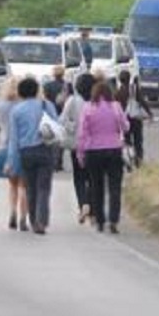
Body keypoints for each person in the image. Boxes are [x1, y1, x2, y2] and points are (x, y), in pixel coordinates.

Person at [6, 76, 58, 235]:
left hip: (26, 151)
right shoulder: (46, 105)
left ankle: (33, 219)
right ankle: (41, 221)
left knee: (30, 187)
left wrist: (12, 162)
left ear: (20, 93)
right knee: (44, 187)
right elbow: (56, 127)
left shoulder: (16, 111)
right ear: (36, 91)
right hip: (45, 149)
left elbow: (14, 140)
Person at [77, 81, 130, 234]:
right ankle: (114, 219)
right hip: (114, 149)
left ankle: (100, 220)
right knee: (114, 186)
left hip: (93, 150)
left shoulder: (88, 108)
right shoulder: (116, 106)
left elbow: (82, 134)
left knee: (96, 186)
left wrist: (81, 154)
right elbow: (125, 126)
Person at [60, 73, 96, 224]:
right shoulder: (97, 102)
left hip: (76, 144)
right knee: (93, 177)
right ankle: (91, 206)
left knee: (79, 176)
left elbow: (62, 120)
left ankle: (83, 205)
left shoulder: (72, 101)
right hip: (95, 145)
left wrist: (72, 127)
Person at [0, 76, 29, 231]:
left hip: (4, 146)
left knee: (12, 185)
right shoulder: (23, 107)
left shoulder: (0, 107)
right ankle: (23, 217)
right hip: (22, 147)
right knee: (24, 185)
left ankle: (12, 212)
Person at [115, 71, 153, 167]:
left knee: (127, 141)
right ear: (129, 78)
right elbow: (142, 101)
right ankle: (139, 161)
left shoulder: (118, 92)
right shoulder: (134, 89)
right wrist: (149, 113)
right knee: (138, 141)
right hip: (136, 118)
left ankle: (129, 161)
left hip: (125, 119)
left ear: (120, 80)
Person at [43, 65, 67, 171]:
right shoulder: (66, 85)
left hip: (50, 113)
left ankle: (52, 161)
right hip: (63, 113)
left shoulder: (47, 86)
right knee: (60, 139)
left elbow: (44, 99)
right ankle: (59, 162)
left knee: (50, 138)